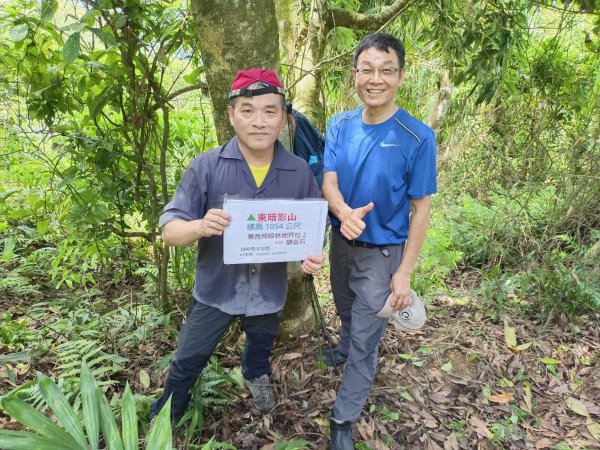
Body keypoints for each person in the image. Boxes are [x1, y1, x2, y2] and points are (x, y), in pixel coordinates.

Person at [150, 68, 325, 423]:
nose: (259, 121)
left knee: (261, 342)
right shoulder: (207, 167)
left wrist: (311, 256)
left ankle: (254, 373)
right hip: (217, 288)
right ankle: (166, 414)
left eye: (269, 111)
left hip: (268, 290)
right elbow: (170, 230)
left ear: (284, 117)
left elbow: (311, 230)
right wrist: (199, 226)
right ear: (231, 115)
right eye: (248, 110)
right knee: (188, 359)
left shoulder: (298, 171)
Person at [321, 33, 437, 448]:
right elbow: (329, 180)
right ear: (355, 74)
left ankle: (342, 420)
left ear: (400, 76)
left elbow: (421, 209)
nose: (376, 79)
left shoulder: (417, 136)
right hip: (341, 243)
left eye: (386, 70)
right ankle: (342, 347)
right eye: (367, 69)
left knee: (366, 340)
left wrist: (404, 273)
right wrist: (342, 211)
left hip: (383, 254)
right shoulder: (339, 124)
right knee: (346, 310)